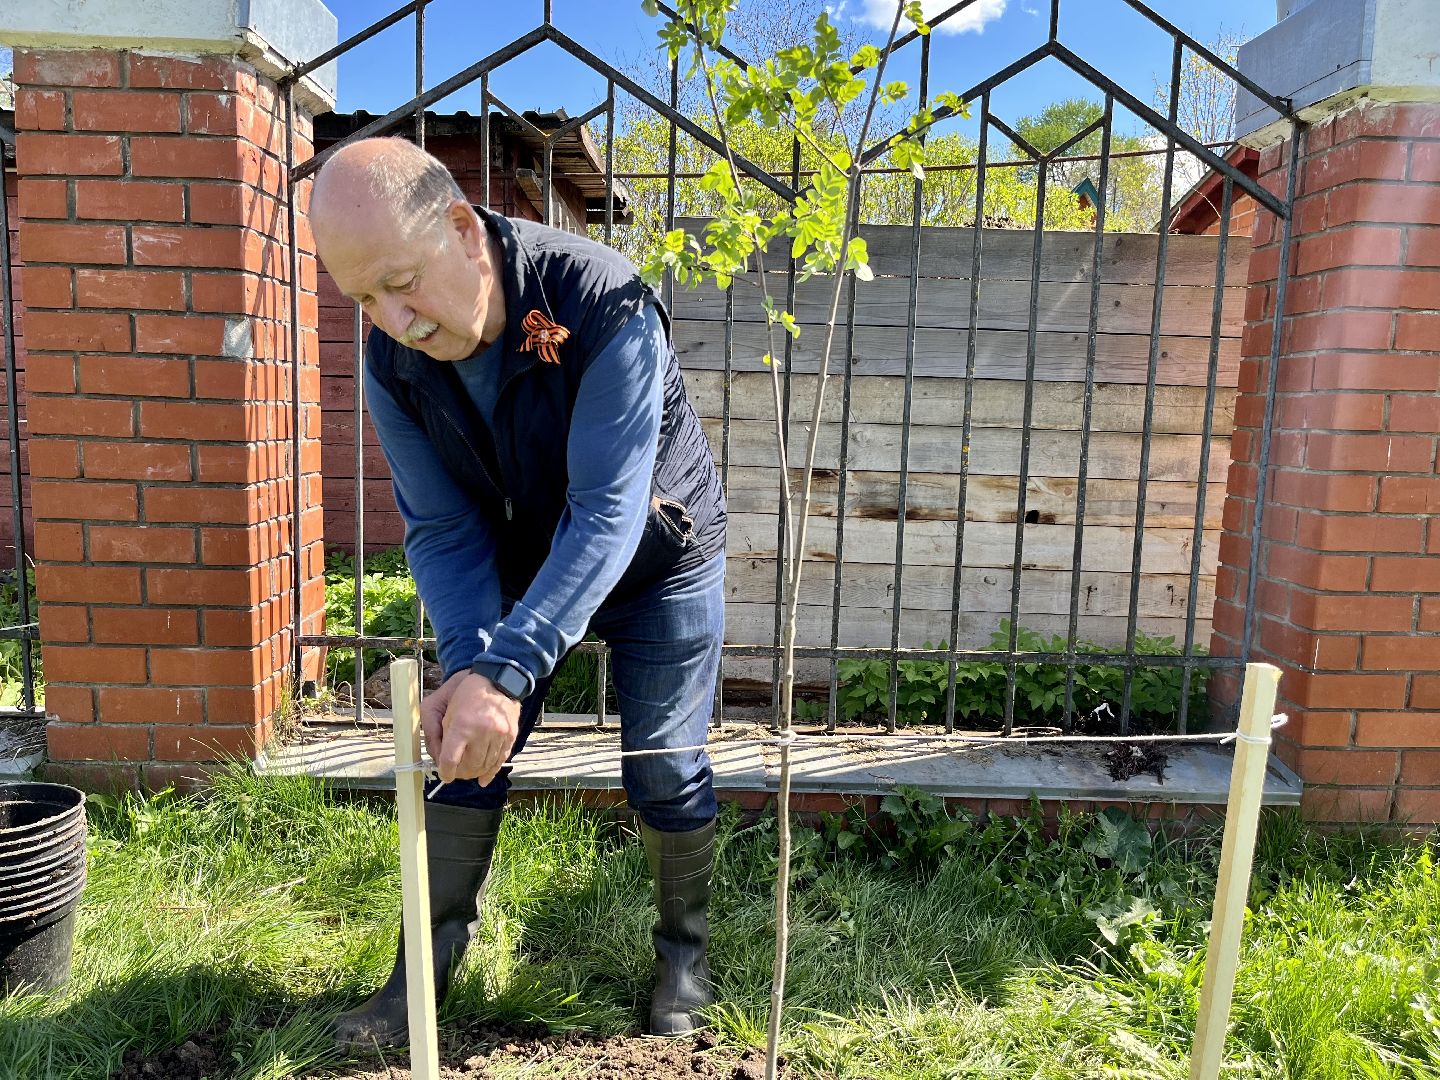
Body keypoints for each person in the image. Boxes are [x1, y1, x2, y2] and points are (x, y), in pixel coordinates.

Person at [309, 136, 727, 1046]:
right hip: (522, 557)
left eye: (401, 283)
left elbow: (607, 513)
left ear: (463, 230)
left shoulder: (604, 302)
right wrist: (471, 670)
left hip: (658, 551)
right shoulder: (392, 362)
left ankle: (684, 960)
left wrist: (508, 673)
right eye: (363, 300)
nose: (393, 321)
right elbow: (442, 528)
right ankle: (419, 980)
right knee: (464, 746)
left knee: (665, 763)